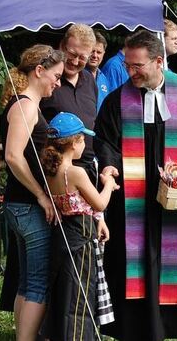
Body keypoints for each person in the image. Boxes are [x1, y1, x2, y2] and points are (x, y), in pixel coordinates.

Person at [94, 29, 177, 341]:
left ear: (158, 61)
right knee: (133, 260)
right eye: (127, 65)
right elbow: (105, 142)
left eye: (137, 66)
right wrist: (110, 165)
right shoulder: (117, 100)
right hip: (132, 200)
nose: (130, 72)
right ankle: (137, 328)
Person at [0, 44, 66, 341]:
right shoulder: (25, 105)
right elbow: (13, 156)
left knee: (27, 283)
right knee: (37, 284)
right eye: (56, 75)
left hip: (19, 205)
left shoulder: (24, 103)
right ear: (39, 71)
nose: (58, 82)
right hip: (27, 205)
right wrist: (41, 194)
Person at [41, 112, 119, 341]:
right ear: (73, 143)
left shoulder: (51, 170)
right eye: (83, 139)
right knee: (81, 295)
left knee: (66, 292)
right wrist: (109, 183)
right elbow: (100, 202)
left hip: (63, 236)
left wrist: (100, 220)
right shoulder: (75, 172)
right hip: (81, 241)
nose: (85, 143)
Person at [41, 24, 99, 183]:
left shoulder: (89, 80)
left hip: (88, 169)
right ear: (61, 46)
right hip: (58, 173)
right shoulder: (49, 80)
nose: (75, 61)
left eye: (82, 57)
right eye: (72, 54)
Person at [86, 31, 111, 111]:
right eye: (92, 51)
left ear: (104, 54)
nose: (95, 55)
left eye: (99, 52)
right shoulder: (76, 76)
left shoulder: (104, 79)